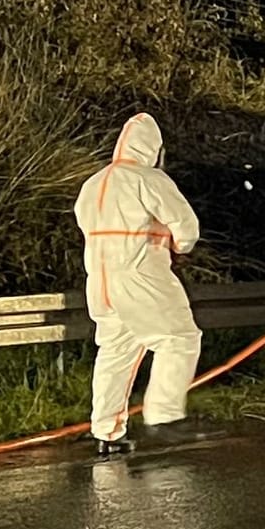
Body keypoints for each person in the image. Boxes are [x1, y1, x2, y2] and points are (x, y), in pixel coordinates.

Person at [73, 113, 203, 457]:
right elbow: (186, 226)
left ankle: (107, 432)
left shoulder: (92, 183)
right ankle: (165, 416)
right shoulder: (148, 179)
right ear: (153, 149)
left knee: (116, 354)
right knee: (179, 339)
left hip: (99, 281)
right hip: (140, 273)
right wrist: (181, 247)